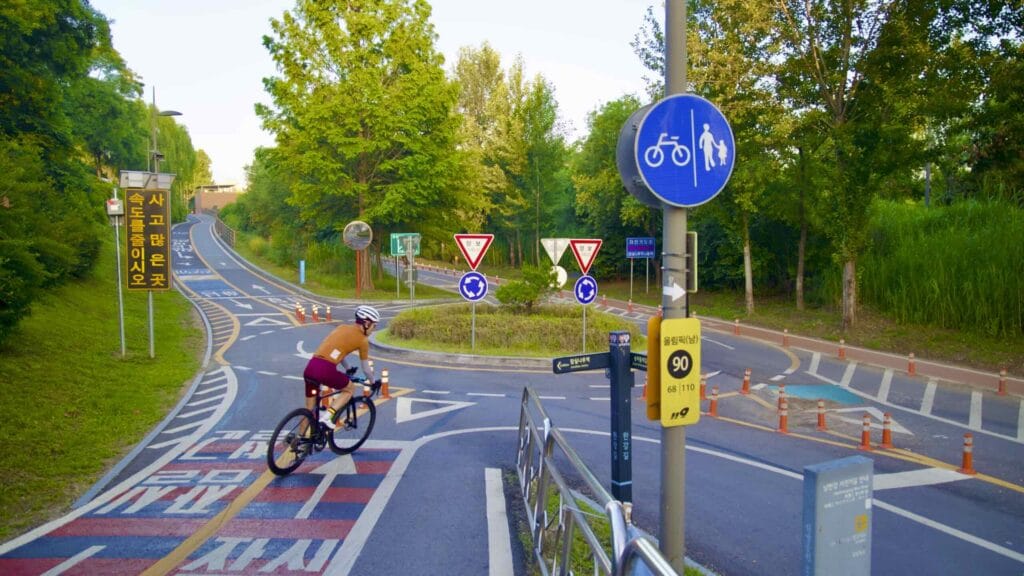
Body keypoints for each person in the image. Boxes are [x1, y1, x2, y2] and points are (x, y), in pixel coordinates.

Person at [303, 304, 380, 429]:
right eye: (374, 326)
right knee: (349, 389)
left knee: (309, 410)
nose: (373, 329)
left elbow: (339, 351)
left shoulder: (341, 327)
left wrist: (348, 368)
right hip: (325, 369)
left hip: (311, 367)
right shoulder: (363, 340)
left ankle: (300, 439)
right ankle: (327, 417)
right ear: (366, 323)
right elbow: (366, 368)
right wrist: (373, 382)